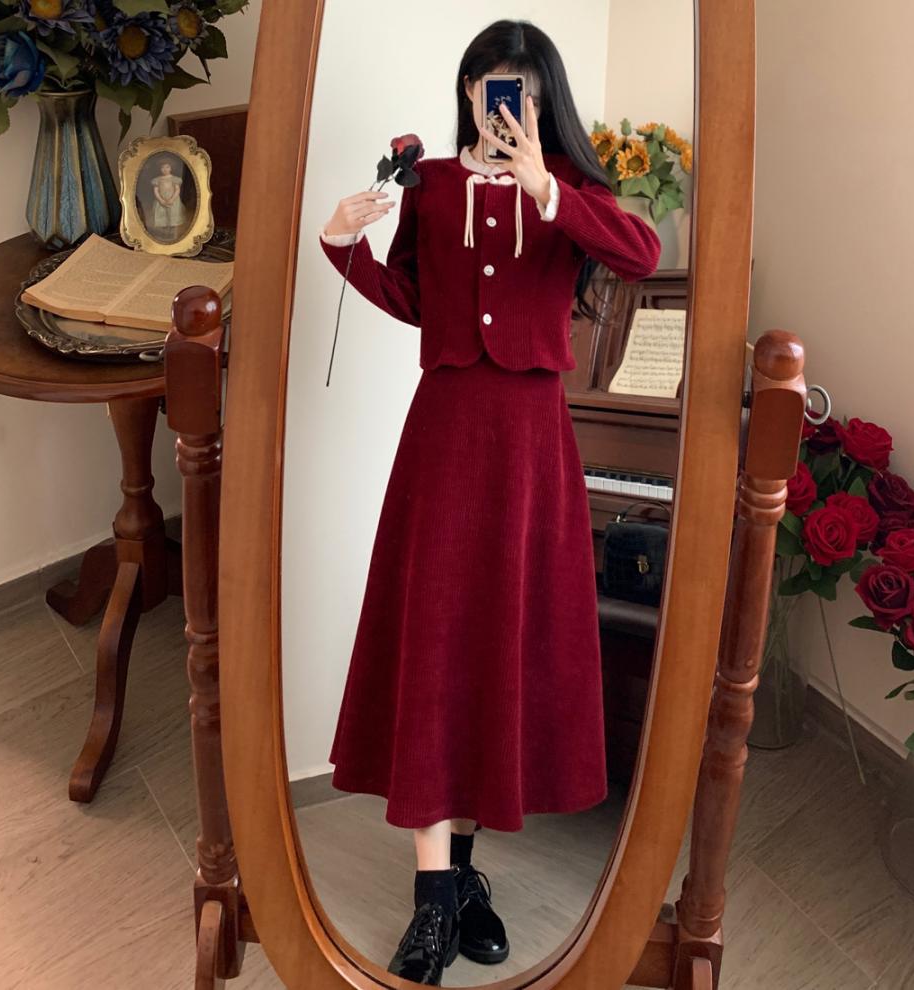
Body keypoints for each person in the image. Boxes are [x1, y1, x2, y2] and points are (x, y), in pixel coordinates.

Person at [318, 18, 661, 986]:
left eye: (523, 90)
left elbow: (642, 252)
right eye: (489, 86)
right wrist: (341, 247)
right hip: (443, 438)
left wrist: (547, 186)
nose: (504, 104)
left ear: (544, 101)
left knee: (494, 649)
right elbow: (415, 301)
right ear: (467, 91)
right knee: (435, 644)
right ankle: (435, 901)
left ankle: (460, 877)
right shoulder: (429, 186)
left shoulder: (573, 192)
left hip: (530, 448)